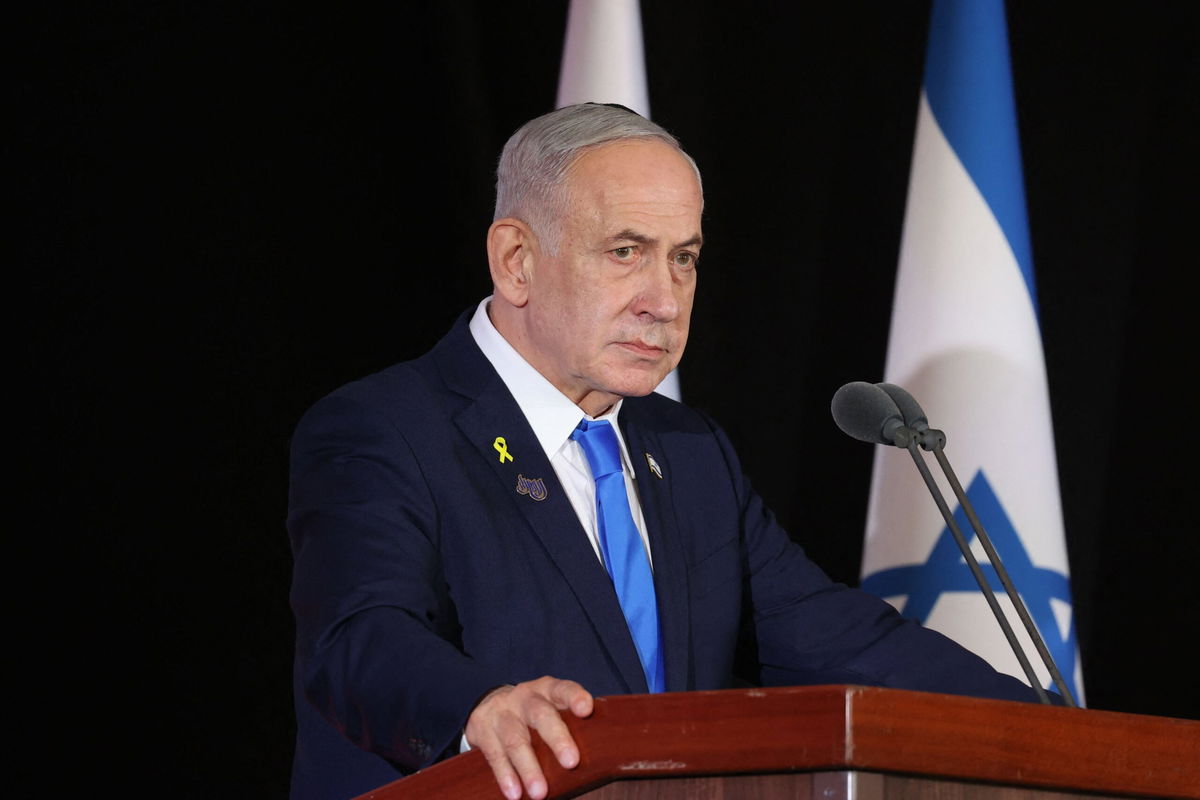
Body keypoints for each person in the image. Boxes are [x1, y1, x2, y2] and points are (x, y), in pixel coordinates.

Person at [287, 103, 1051, 800]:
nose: (665, 297)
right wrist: (479, 706)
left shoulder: (687, 453)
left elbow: (843, 644)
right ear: (517, 259)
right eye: (626, 251)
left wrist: (1050, 735)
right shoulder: (385, 428)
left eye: (683, 257)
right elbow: (359, 637)